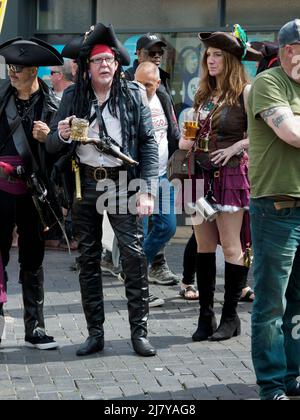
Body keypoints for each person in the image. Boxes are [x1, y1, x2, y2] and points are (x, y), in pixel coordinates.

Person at [46, 23, 159, 357]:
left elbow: (150, 143)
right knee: (89, 259)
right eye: (98, 61)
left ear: (117, 64)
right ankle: (95, 333)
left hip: (125, 181)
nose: (105, 66)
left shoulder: (134, 94)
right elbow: (53, 143)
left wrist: (147, 189)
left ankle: (139, 333)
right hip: (85, 183)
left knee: (134, 257)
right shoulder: (72, 95)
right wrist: (63, 134)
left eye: (109, 60)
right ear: (87, 68)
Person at [179, 28, 261, 342]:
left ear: (230, 60)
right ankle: (205, 316)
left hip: (230, 176)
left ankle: (230, 317)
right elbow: (190, 136)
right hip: (197, 175)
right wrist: (186, 140)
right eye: (208, 55)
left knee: (230, 246)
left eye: (217, 55)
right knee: (202, 246)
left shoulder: (247, 91)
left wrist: (237, 147)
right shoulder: (203, 94)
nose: (211, 60)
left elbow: (262, 132)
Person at [0, 37, 64, 350]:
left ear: (34, 70)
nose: (12, 71)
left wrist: (49, 137)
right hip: (0, 185)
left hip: (34, 190)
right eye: (10, 65)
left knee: (33, 256)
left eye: (19, 67)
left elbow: (63, 155)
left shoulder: (54, 104)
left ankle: (35, 328)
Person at [248, 19, 300, 401]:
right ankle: (271, 384)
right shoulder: (270, 83)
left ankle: (293, 375)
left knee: (298, 300)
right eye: (297, 49)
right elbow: (291, 133)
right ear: (286, 52)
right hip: (276, 207)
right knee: (271, 302)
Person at [126, 33, 180, 286]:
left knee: (168, 226)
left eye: (160, 53)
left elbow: (172, 133)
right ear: (138, 55)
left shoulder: (164, 93)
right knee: (139, 229)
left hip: (162, 173)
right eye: (151, 52)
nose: (157, 57)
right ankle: (137, 275)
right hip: (136, 176)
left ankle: (137, 266)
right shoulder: (125, 88)